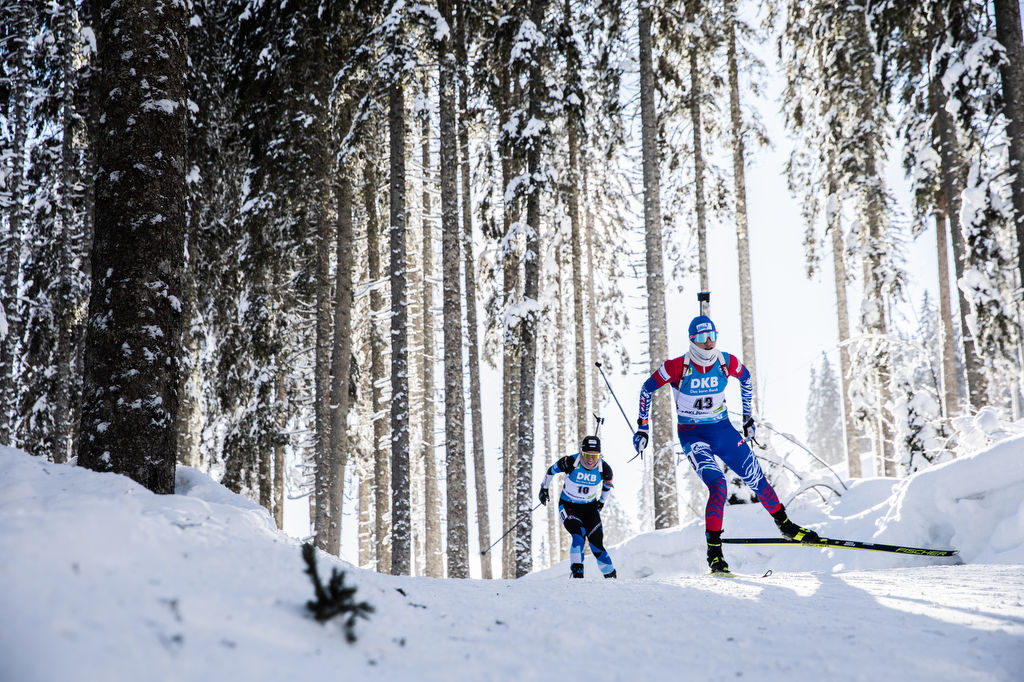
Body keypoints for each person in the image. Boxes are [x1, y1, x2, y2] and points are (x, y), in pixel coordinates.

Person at [631, 314, 819, 574]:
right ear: (692, 340)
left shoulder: (724, 361)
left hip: (723, 431)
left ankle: (787, 527)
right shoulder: (677, 366)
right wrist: (642, 427)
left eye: (712, 336)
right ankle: (715, 555)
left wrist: (747, 417)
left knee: (757, 478)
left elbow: (746, 378)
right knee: (718, 485)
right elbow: (646, 388)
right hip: (694, 436)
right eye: (701, 338)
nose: (708, 343)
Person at [538, 435, 617, 579]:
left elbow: (607, 485)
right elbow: (551, 471)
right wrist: (544, 488)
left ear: (600, 455)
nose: (590, 460)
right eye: (587, 455)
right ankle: (577, 576)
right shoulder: (570, 462)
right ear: (581, 452)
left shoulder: (604, 468)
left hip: (590, 509)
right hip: (569, 507)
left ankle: (611, 577)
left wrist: (601, 502)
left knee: (596, 543)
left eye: (595, 455)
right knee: (578, 536)